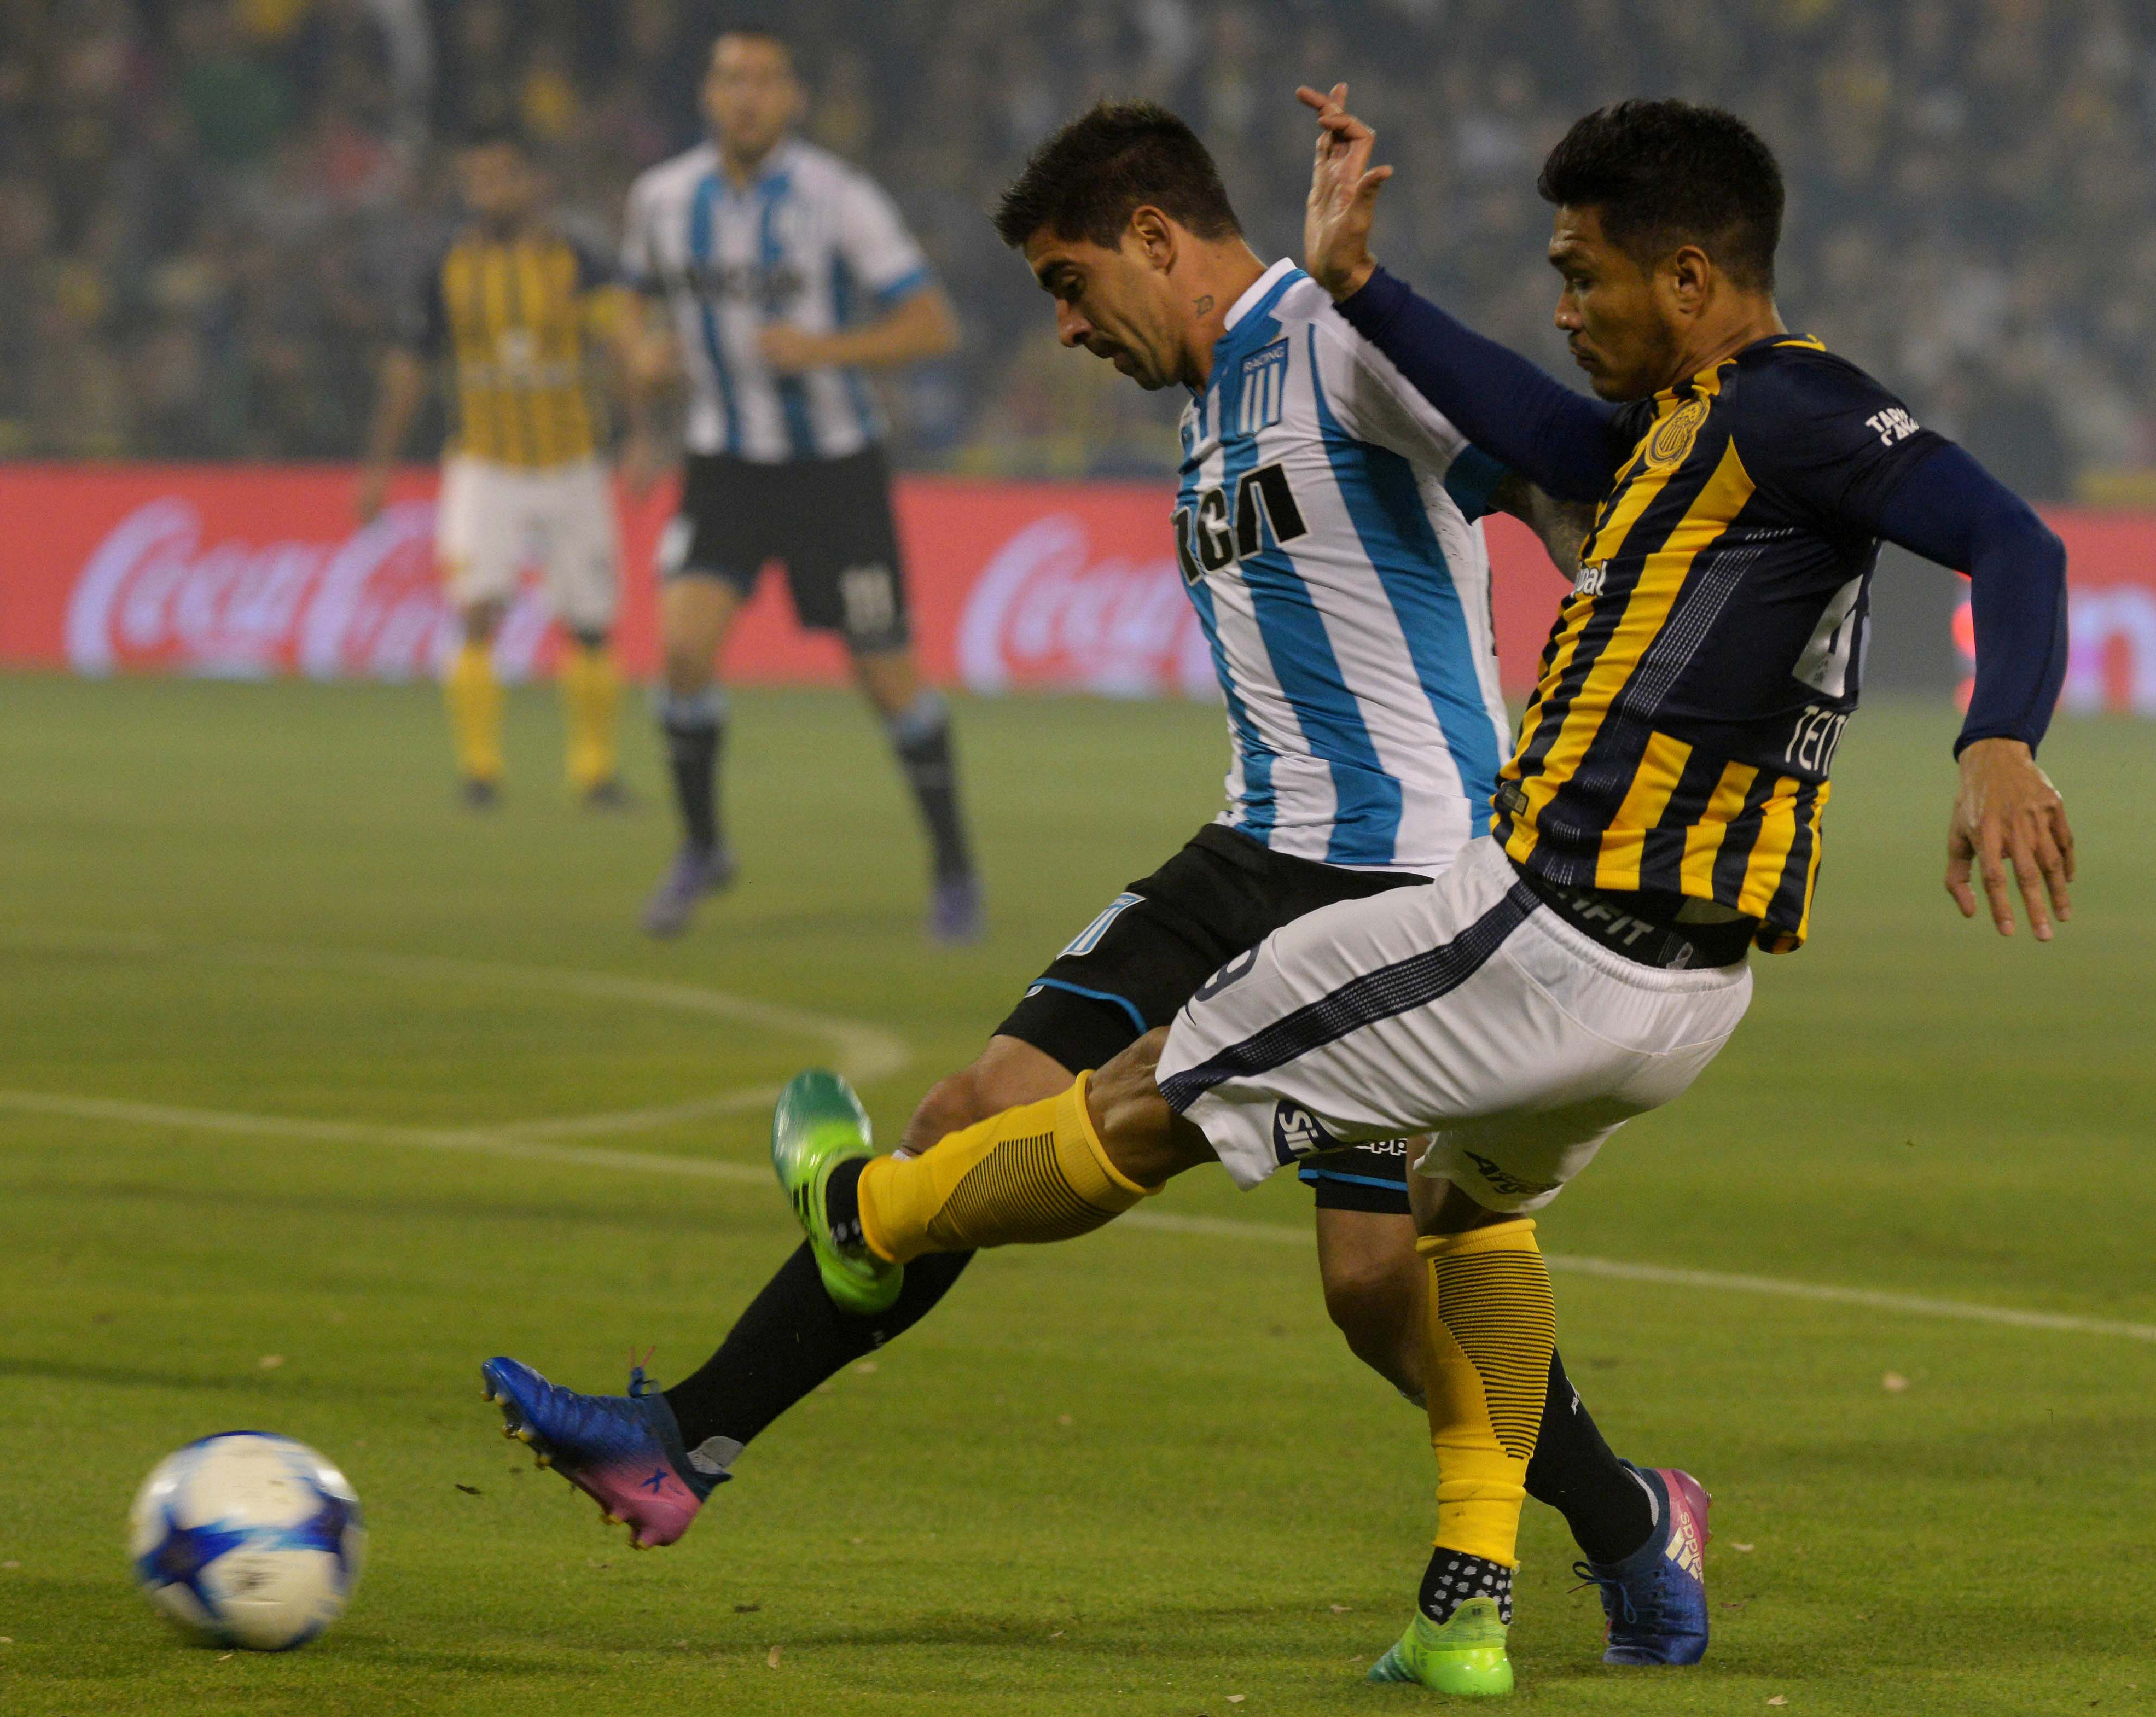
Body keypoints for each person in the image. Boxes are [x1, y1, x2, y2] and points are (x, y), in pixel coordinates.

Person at [749, 91, 2076, 1696]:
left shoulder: (1792, 409)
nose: (1562, 308)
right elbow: (1530, 425)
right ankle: (1498, 1592)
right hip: (1682, 994)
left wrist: (1997, 734)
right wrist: (1358, 284)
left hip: (1539, 927)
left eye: (1580, 275)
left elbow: (2011, 538)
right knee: (1447, 1234)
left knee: (1161, 1089)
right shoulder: (1673, 434)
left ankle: (865, 1209)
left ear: (1684, 277)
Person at [478, 101, 1659, 1608]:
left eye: (1068, 281)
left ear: (1155, 239)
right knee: (970, 1112)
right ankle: (681, 1441)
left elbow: (1568, 493)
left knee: (1376, 1290)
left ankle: (1629, 1520)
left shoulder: (1343, 344)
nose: (1063, 328)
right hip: (1248, 849)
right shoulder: (1209, 400)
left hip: (1403, 879)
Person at [620, 20, 979, 939]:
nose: (746, 95)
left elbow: (932, 323)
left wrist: (826, 349)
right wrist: (641, 361)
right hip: (724, 466)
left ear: (793, 98)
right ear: (708, 94)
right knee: (683, 650)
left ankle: (953, 869)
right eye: (731, 77)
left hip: (834, 472)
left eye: (764, 79)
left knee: (886, 675)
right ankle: (703, 848)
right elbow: (632, 299)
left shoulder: (839, 198)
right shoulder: (663, 199)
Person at [359, 125, 637, 808]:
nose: (485, 192)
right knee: (477, 609)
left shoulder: (580, 260)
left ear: (536, 182)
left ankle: (594, 771)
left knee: (590, 622)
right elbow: (409, 369)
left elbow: (621, 348)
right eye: (475, 179)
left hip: (574, 461)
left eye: (500, 177)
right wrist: (378, 468)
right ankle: (480, 770)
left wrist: (644, 435)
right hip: (485, 463)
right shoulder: (445, 268)